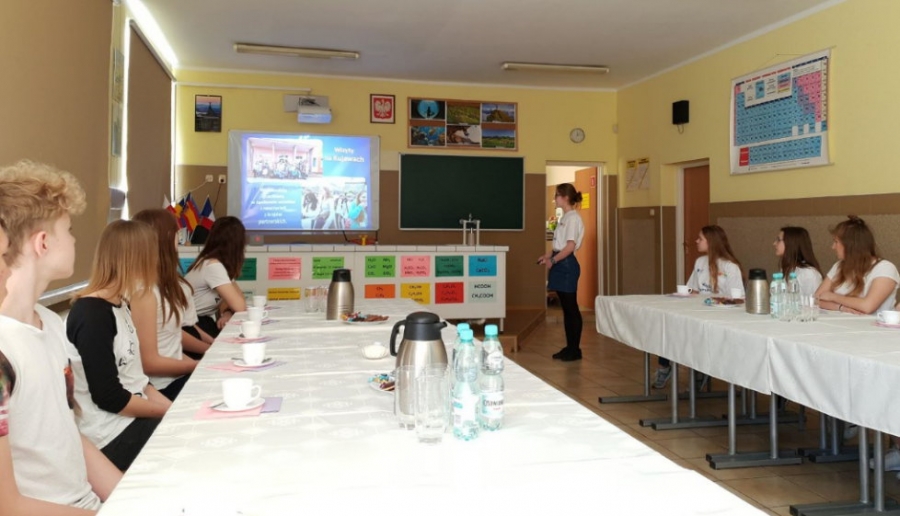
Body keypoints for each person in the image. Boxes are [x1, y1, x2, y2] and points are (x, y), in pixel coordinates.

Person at [0, 160, 121, 514]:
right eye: (68, 230)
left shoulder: (52, 324)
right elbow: (7, 506)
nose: (74, 240)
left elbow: (68, 433)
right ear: (42, 243)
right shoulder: (4, 353)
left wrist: (132, 497)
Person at [67, 220, 172, 472]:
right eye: (151, 254)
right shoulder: (92, 315)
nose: (155, 261)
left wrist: (175, 410)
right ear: (135, 259)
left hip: (130, 419)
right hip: (110, 434)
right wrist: (166, 413)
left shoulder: (121, 304)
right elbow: (109, 398)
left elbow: (139, 381)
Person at [132, 209, 211, 401]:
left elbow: (171, 338)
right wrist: (200, 364)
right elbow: (149, 363)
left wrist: (205, 358)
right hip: (161, 387)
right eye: (177, 232)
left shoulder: (164, 284)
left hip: (177, 376)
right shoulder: (144, 291)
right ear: (167, 237)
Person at [654, 225, 744, 389]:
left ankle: (700, 370)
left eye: (700, 238)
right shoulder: (700, 262)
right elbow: (694, 289)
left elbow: (738, 298)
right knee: (670, 324)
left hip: (720, 315)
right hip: (698, 310)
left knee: (697, 332)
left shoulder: (730, 266)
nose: (696, 241)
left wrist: (715, 300)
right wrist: (680, 294)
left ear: (711, 241)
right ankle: (664, 366)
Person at [537, 183, 585, 362]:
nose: (554, 199)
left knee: (571, 307)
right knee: (566, 308)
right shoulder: (565, 217)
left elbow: (570, 247)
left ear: (565, 197)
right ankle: (569, 346)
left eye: (557, 195)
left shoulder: (573, 218)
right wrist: (548, 255)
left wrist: (553, 260)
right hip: (560, 262)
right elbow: (559, 244)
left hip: (566, 265)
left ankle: (575, 349)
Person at [815, 215, 899, 315]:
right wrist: (841, 307)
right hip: (839, 321)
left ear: (850, 245)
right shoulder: (839, 266)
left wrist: (833, 297)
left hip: (871, 324)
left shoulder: (885, 268)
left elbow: (867, 306)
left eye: (836, 242)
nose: (833, 247)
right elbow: (816, 299)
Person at [184, 216, 248, 337]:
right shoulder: (213, 266)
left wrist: (227, 313)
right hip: (191, 326)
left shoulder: (214, 262)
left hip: (198, 322)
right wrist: (231, 308)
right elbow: (240, 306)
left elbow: (234, 299)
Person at [774, 226, 823, 296]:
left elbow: (814, 300)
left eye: (778, 240)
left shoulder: (809, 273)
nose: (774, 243)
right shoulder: (787, 269)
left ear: (791, 243)